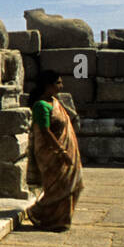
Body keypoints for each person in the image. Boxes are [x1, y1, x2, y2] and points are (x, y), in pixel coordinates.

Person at [25, 69, 83, 230]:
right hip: (50, 152)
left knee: (75, 184)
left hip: (62, 149)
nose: (61, 86)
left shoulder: (56, 102)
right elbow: (45, 131)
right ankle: (39, 213)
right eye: (58, 83)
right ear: (47, 85)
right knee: (58, 188)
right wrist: (61, 152)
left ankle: (60, 219)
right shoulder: (41, 106)